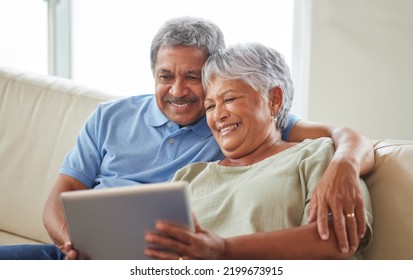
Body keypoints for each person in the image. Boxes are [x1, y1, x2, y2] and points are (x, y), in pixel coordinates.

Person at [0, 16, 372, 260]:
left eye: (194, 78)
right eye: (166, 76)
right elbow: (60, 199)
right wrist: (75, 247)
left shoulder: (303, 150)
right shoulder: (189, 173)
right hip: (85, 255)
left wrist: (346, 161)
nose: (180, 91)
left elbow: (336, 237)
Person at [144, 42, 373, 260]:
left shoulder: (317, 154)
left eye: (230, 99)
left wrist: (223, 251)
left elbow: (337, 240)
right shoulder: (189, 177)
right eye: (210, 106)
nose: (218, 115)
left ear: (273, 100)